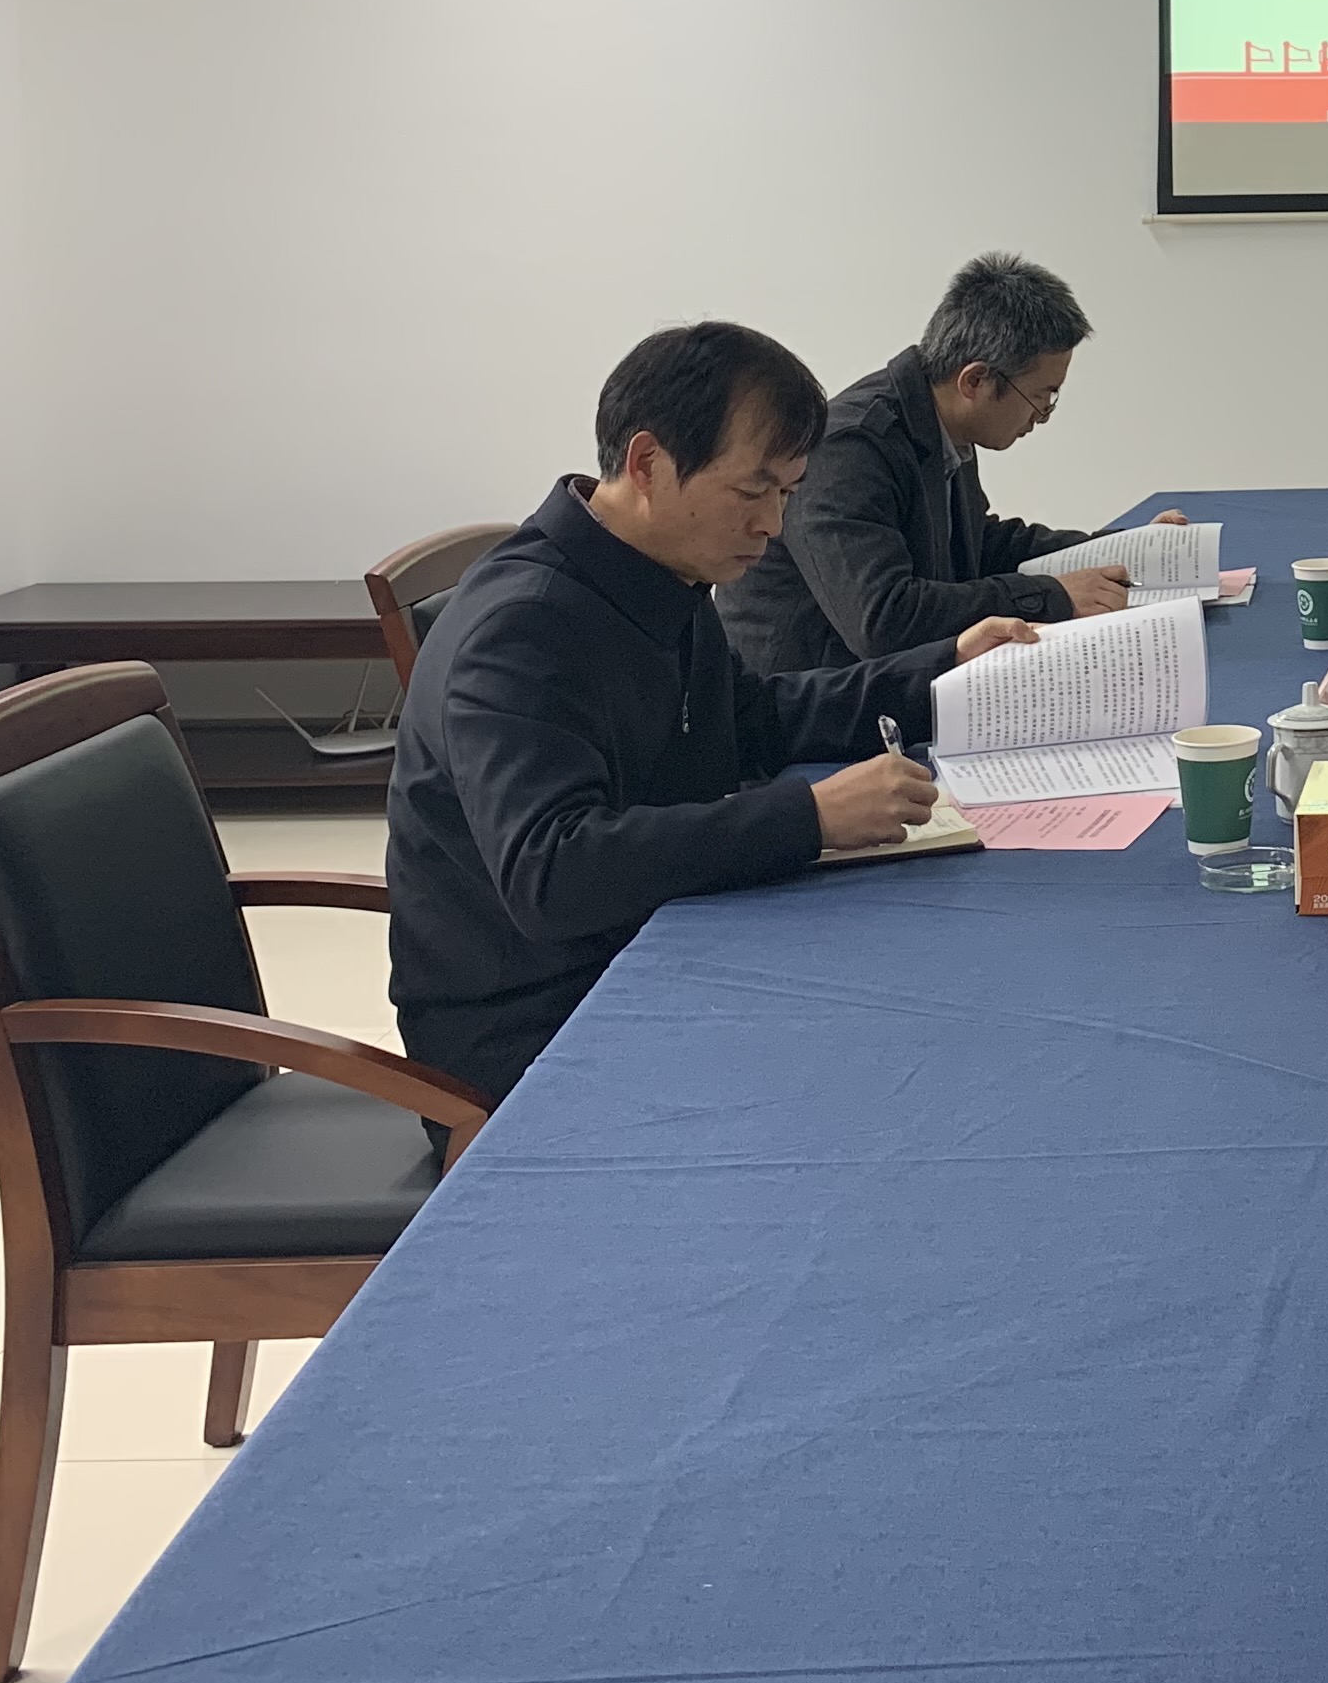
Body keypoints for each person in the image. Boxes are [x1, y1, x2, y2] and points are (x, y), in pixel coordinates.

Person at [388, 321, 1035, 1107]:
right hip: (536, 1028)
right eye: (753, 492)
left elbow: (752, 719)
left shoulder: (656, 572)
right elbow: (552, 872)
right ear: (648, 464)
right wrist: (809, 817)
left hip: (647, 941)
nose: (773, 525)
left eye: (787, 494)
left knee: (927, 999)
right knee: (888, 1059)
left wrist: (948, 672)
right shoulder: (522, 627)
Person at [720, 252, 1181, 679]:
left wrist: (1118, 549)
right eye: (1041, 397)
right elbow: (884, 619)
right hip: (810, 707)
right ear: (975, 381)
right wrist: (1052, 596)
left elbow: (979, 545)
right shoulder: (850, 447)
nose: (1042, 416)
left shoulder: (940, 422)